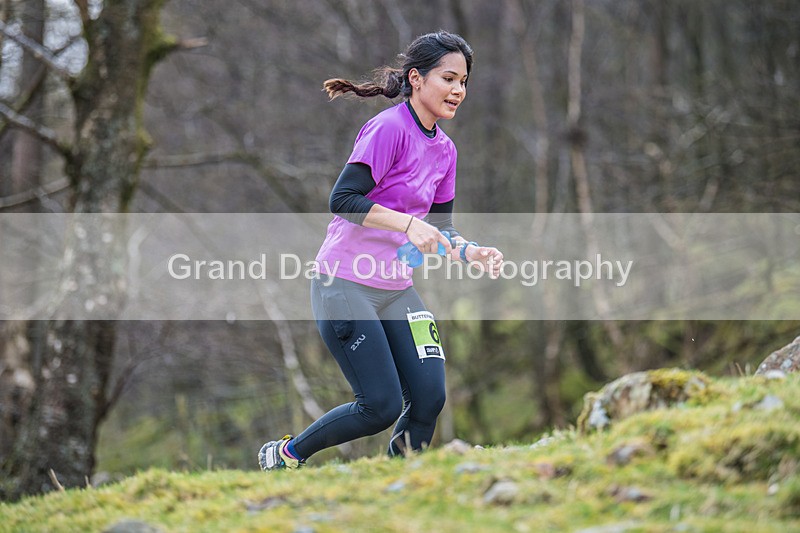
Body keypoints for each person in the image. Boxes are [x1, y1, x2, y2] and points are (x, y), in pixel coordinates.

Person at [259, 30, 503, 470]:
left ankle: (400, 481)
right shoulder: (389, 129)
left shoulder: (446, 151)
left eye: (463, 81)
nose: (458, 90)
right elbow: (343, 199)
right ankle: (285, 455)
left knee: (429, 397)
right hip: (344, 283)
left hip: (396, 289)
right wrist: (408, 223)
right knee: (380, 405)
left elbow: (440, 227)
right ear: (416, 79)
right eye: (448, 78)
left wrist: (469, 252)